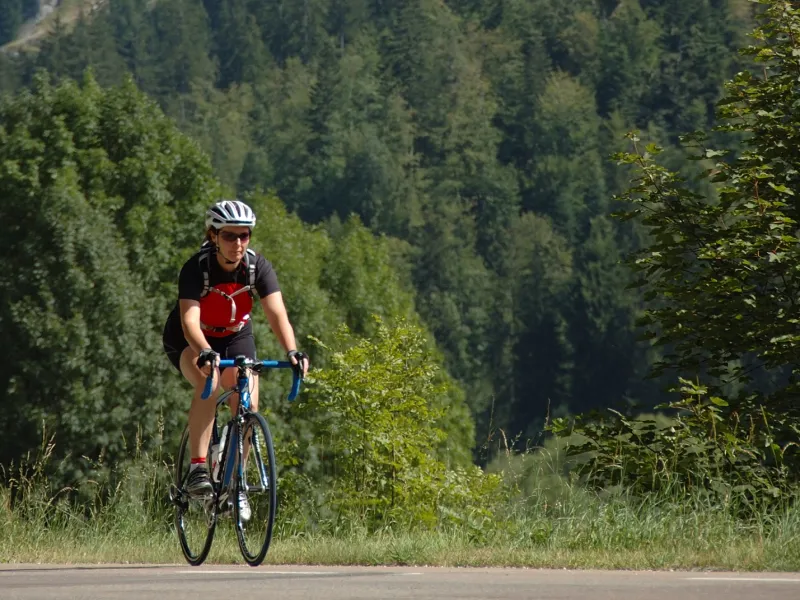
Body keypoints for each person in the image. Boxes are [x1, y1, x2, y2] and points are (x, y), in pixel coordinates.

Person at [162, 199, 309, 509]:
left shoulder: (257, 267)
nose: (238, 243)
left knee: (248, 399)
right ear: (213, 236)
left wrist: (293, 351)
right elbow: (189, 321)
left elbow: (277, 314)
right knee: (211, 382)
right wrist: (204, 352)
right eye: (229, 236)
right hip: (191, 338)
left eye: (245, 235)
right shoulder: (196, 268)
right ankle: (198, 468)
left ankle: (236, 480)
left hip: (235, 335)